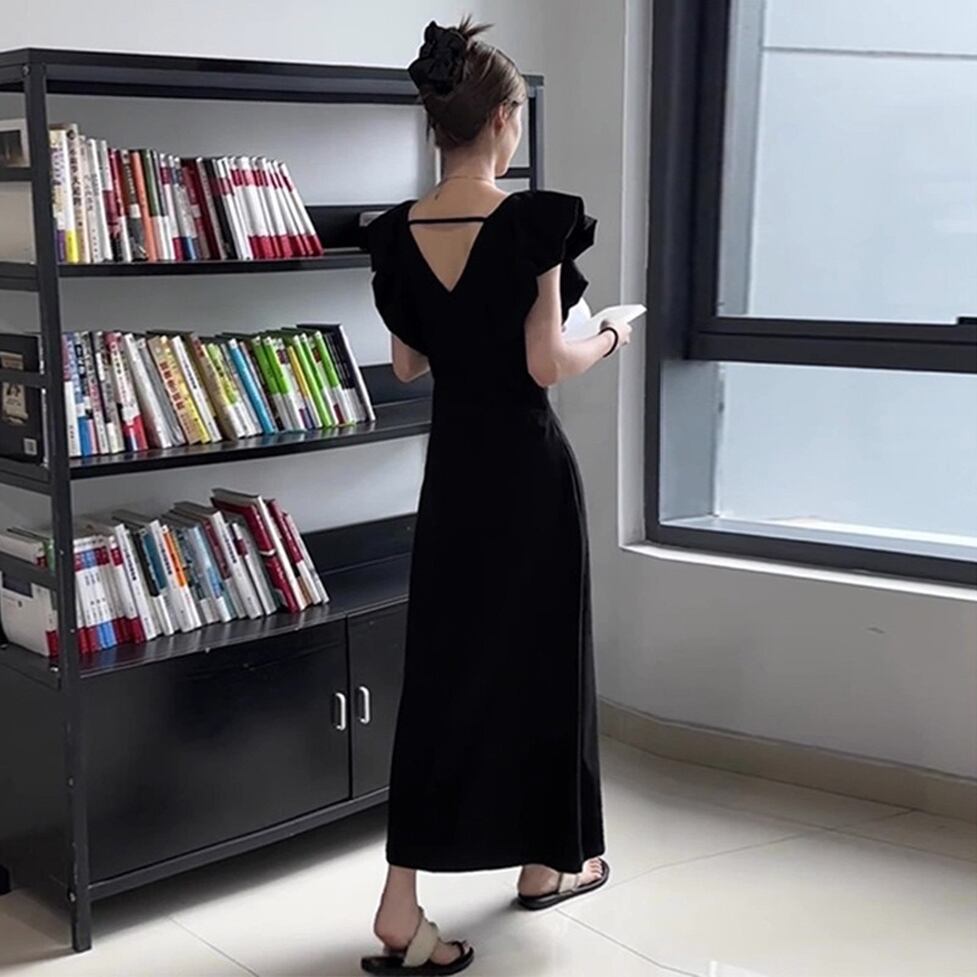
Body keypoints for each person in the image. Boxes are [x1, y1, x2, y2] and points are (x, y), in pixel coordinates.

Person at [361, 16, 632, 976]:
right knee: (544, 663)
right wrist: (610, 336)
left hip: (453, 479)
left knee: (441, 673)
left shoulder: (396, 233)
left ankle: (401, 900)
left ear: (438, 124)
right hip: (527, 473)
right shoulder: (531, 222)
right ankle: (546, 862)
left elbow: (407, 365)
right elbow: (545, 363)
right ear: (505, 120)